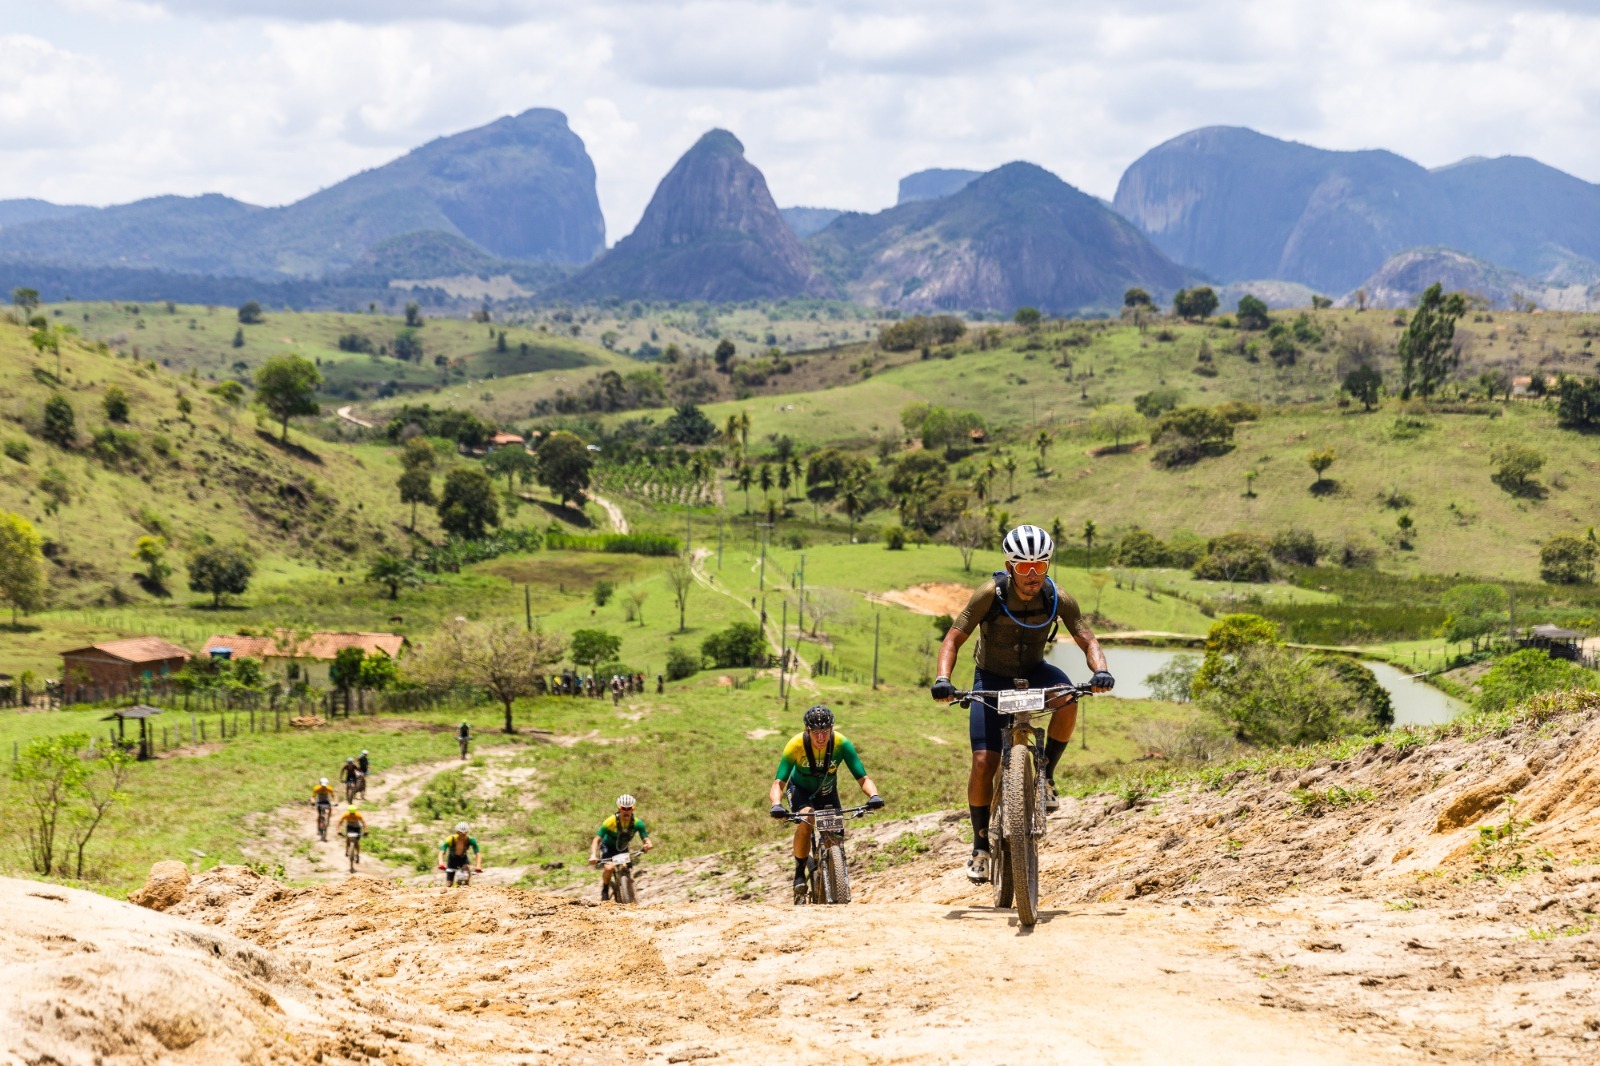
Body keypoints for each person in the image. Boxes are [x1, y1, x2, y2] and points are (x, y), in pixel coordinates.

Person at [931, 524, 1115, 884]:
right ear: (1010, 565)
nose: (1033, 575)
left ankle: (1045, 776)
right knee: (984, 762)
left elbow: (1087, 638)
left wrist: (1101, 671)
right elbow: (953, 639)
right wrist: (943, 679)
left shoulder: (1057, 596)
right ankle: (980, 846)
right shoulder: (989, 594)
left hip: (1036, 671)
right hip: (991, 676)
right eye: (1024, 567)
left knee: (1067, 697)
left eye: (1041, 566)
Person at [768, 705, 884, 904]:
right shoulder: (795, 745)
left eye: (825, 732)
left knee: (836, 835)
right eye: (815, 733)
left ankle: (834, 869)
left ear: (832, 729)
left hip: (828, 793)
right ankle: (799, 872)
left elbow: (863, 778)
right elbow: (778, 783)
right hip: (800, 791)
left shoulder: (841, 744)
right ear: (807, 731)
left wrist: (874, 796)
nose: (821, 738)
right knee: (808, 818)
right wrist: (776, 804)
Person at [588, 794, 653, 901]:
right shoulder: (610, 822)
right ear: (619, 808)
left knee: (627, 869)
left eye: (629, 808)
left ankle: (629, 891)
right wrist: (593, 855)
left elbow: (646, 839)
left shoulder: (638, 823)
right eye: (624, 808)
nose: (626, 811)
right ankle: (605, 890)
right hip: (608, 848)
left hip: (622, 849)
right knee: (609, 868)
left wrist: (647, 844)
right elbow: (597, 839)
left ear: (633, 808)